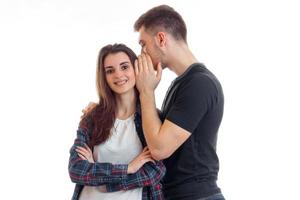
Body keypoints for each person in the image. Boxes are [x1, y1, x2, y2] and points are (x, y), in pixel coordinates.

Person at [133, 5, 225, 200]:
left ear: (160, 39)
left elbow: (159, 148)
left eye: (143, 44)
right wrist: (105, 110)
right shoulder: (181, 84)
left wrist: (147, 91)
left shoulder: (200, 84)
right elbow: (158, 129)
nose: (142, 53)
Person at [68, 44, 166, 200]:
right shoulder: (92, 118)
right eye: (110, 71)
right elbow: (76, 169)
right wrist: (129, 168)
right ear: (104, 77)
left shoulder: (152, 118)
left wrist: (101, 179)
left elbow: (153, 172)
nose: (118, 75)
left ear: (136, 69)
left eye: (124, 67)